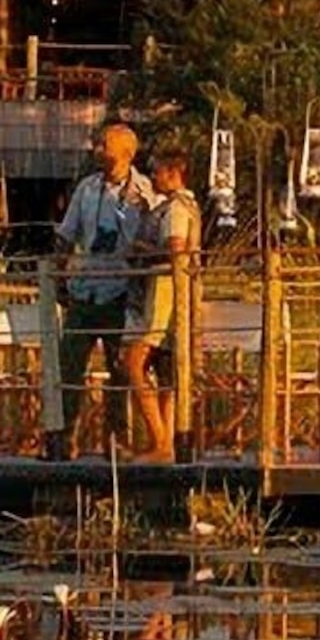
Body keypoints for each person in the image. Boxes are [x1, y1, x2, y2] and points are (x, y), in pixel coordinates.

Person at [54, 118, 157, 455]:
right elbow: (66, 234)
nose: (98, 151)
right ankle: (63, 437)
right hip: (84, 290)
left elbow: (153, 241)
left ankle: (116, 441)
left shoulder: (143, 192)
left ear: (126, 153)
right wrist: (59, 275)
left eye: (105, 146)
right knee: (69, 366)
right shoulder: (87, 187)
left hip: (120, 293)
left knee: (119, 370)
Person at [119, 140, 202, 461]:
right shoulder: (181, 206)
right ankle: (164, 441)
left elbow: (176, 251)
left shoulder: (176, 210)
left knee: (134, 363)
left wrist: (142, 250)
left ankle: (160, 439)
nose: (153, 177)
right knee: (166, 370)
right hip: (169, 293)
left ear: (172, 173)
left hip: (165, 292)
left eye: (156, 172)